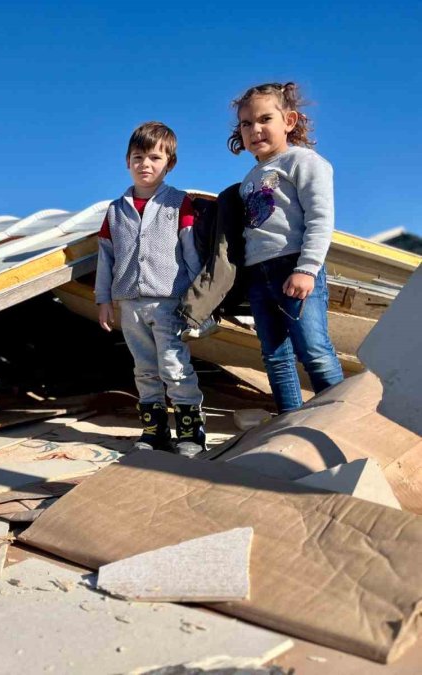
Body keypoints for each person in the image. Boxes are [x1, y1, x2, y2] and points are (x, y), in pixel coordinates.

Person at [230, 81, 343, 412]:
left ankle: (335, 421)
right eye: (247, 123)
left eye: (265, 119)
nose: (255, 129)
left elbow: (320, 220)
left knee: (314, 350)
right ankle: (289, 422)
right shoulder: (250, 177)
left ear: (289, 121)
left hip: (294, 267)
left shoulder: (304, 162)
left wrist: (306, 269)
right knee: (275, 356)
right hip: (257, 274)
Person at [95, 121, 205, 457]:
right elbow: (106, 258)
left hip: (169, 302)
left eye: (155, 158)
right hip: (130, 305)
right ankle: (154, 432)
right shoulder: (115, 211)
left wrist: (199, 300)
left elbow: (191, 253)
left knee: (173, 365)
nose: (146, 164)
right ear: (127, 161)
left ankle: (190, 433)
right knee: (144, 368)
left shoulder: (178, 204)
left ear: (169, 163)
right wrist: (103, 300)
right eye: (138, 157)